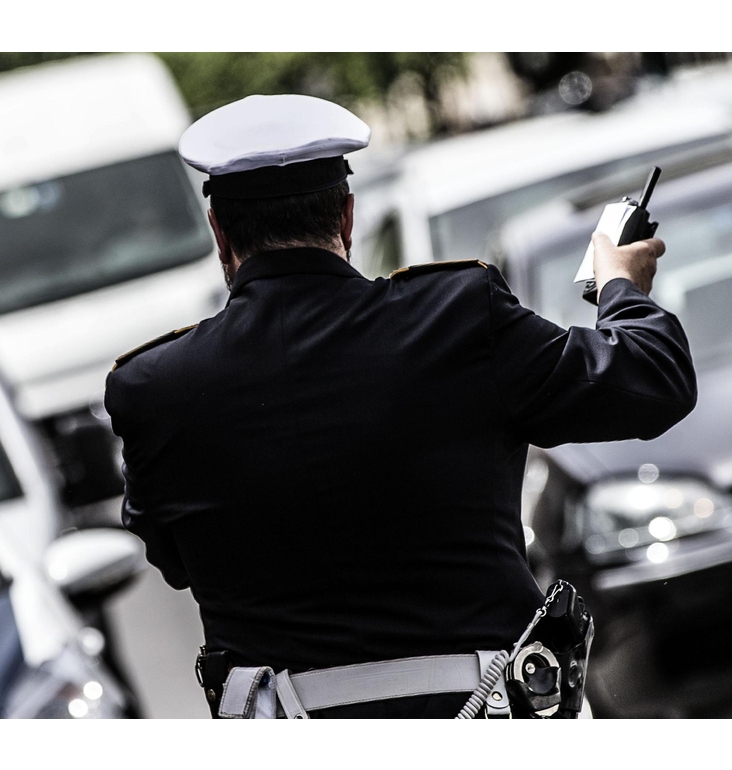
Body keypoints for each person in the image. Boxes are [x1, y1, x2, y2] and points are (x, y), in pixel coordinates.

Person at [104, 94, 697, 719]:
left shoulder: (154, 388)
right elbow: (653, 380)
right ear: (347, 217)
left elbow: (174, 558)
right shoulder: (456, 316)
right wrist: (619, 285)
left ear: (219, 231)